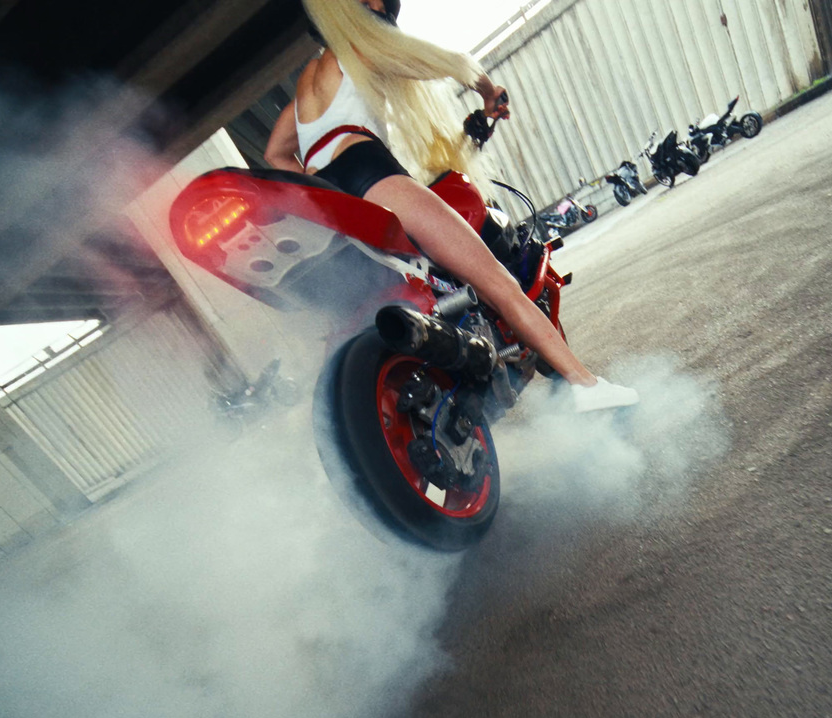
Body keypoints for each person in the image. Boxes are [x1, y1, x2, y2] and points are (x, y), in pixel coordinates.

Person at [263, 0, 638, 413]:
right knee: (497, 283)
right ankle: (586, 386)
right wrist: (489, 92)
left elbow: (276, 154)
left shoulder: (306, 85)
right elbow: (448, 63)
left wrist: (320, 185)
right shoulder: (360, 47)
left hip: (331, 201)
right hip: (367, 172)